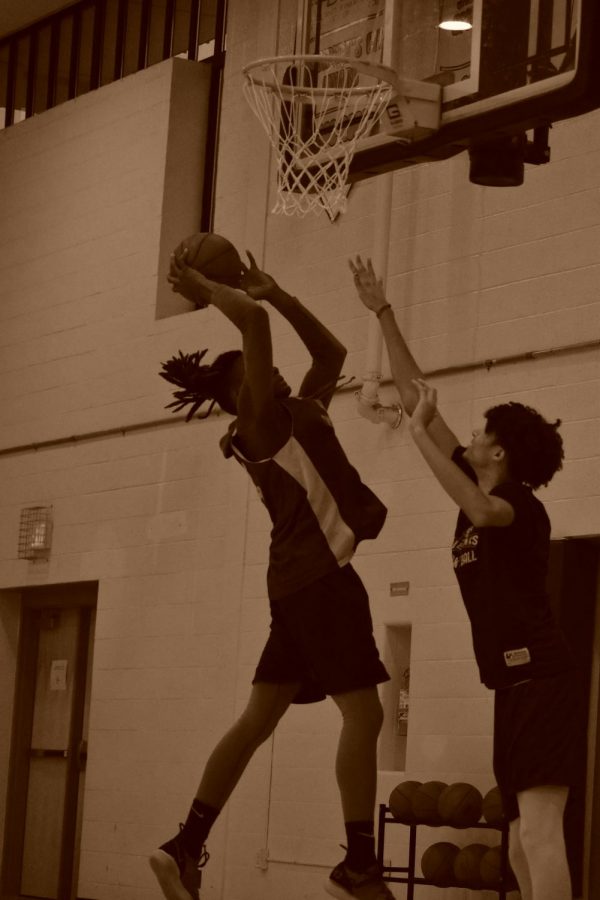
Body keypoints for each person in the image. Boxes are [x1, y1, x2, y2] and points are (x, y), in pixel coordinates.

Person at [151, 247, 395, 900]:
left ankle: (185, 846)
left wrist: (279, 293)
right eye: (258, 374)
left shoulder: (298, 413)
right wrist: (207, 288)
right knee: (365, 716)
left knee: (258, 720)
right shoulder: (258, 423)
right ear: (241, 395)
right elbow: (252, 331)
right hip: (319, 582)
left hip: (298, 587)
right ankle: (361, 865)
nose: (274, 369)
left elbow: (336, 355)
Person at [349, 256, 580, 900]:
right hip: (513, 685)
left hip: (542, 680)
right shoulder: (474, 479)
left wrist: (418, 430)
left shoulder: (517, 507)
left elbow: (479, 507)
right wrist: (382, 312)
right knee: (521, 843)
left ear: (499, 452)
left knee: (539, 833)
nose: (469, 435)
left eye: (479, 432)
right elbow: (413, 386)